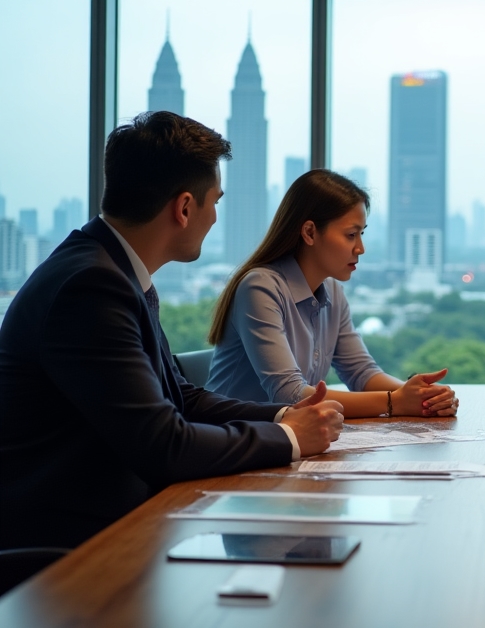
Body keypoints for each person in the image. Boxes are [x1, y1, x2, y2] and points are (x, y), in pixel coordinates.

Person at [0, 112, 344, 550]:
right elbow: (163, 445)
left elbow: (181, 396)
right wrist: (291, 438)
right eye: (214, 201)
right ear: (184, 208)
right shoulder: (91, 287)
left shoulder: (113, 270)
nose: (216, 217)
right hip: (71, 548)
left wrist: (282, 417)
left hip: (122, 524)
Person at [206, 169, 458, 418]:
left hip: (284, 440)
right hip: (231, 442)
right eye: (351, 235)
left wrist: (423, 397)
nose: (360, 248)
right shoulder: (260, 288)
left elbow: (361, 372)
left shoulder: (333, 292)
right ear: (309, 232)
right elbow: (291, 395)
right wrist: (395, 401)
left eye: (361, 234)